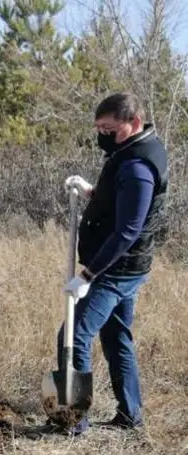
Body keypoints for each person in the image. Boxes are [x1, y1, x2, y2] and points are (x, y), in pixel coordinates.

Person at [60, 92, 168, 435]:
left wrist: (88, 276)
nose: (103, 135)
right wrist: (91, 191)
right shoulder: (128, 150)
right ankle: (130, 416)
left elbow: (128, 230)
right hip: (124, 267)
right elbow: (118, 202)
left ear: (134, 122)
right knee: (116, 336)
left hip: (115, 270)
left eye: (110, 128)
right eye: (99, 128)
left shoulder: (138, 167)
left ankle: (74, 422)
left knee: (74, 336)